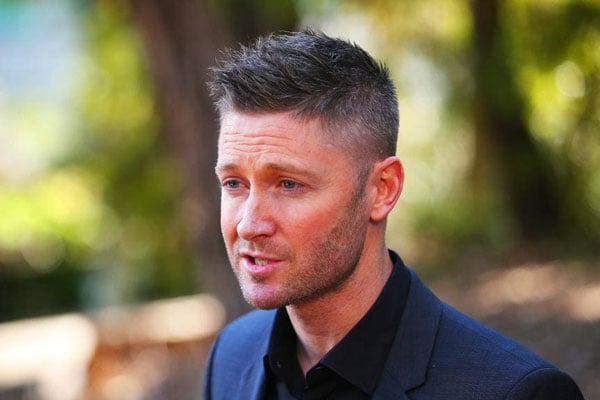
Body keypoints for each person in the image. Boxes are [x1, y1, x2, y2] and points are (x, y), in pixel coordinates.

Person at [203, 29, 584, 400]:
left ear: (382, 189)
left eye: (288, 184)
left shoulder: (515, 391)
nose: (249, 225)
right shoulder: (231, 356)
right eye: (234, 183)